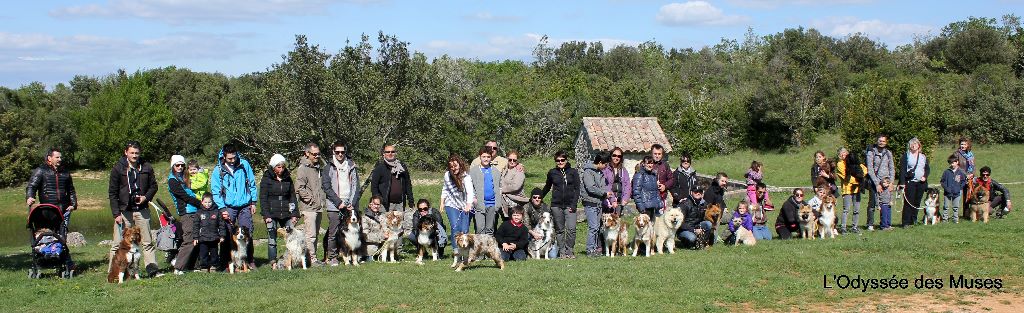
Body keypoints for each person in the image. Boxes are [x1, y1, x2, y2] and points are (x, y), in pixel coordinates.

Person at [107, 141, 160, 277]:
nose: (135, 155)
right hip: (124, 211)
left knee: (147, 242)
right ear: (126, 152)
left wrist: (146, 197)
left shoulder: (146, 167)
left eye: (137, 153)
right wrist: (116, 214)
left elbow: (154, 186)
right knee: (118, 243)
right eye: (132, 153)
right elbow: (112, 193)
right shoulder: (118, 168)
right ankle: (113, 272)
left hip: (142, 209)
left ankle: (152, 270)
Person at [26, 148, 77, 269]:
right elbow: (31, 186)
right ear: (49, 158)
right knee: (48, 235)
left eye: (60, 157)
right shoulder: (40, 171)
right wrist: (29, 197)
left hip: (64, 210)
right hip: (48, 211)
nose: (60, 159)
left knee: (62, 236)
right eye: (57, 157)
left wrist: (73, 204)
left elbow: (71, 190)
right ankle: (51, 259)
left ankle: (65, 263)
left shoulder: (65, 172)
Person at [210, 143, 258, 269]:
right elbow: (215, 191)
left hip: (245, 205)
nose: (232, 160)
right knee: (226, 235)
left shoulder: (244, 165)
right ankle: (226, 262)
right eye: (229, 158)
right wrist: (222, 208)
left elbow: (252, 184)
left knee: (247, 233)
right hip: (228, 206)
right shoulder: (218, 170)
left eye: (234, 157)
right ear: (224, 156)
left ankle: (249, 260)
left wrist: (253, 202)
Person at [321, 142, 361, 267]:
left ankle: (351, 255)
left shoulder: (351, 165)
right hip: (334, 205)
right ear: (333, 151)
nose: (340, 154)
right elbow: (326, 187)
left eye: (342, 152)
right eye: (337, 152)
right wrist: (338, 202)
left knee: (352, 232)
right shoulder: (328, 167)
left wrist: (352, 203)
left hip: (349, 204)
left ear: (345, 152)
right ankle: (332, 257)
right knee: (333, 232)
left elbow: (356, 185)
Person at [260, 154, 298, 269]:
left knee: (291, 237)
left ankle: (289, 262)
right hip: (272, 212)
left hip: (286, 212)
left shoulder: (288, 178)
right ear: (273, 167)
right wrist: (266, 215)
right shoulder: (266, 178)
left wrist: (295, 214)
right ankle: (273, 263)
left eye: (283, 167)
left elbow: (292, 196)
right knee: (272, 238)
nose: (281, 169)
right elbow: (263, 198)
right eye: (278, 167)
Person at [541, 151, 580, 259]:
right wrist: (539, 197)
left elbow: (577, 189)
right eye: (558, 160)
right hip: (556, 205)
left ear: (566, 160)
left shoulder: (573, 172)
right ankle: (562, 251)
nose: (560, 162)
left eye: (562, 160)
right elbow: (547, 187)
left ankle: (570, 250)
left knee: (571, 229)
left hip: (570, 205)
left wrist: (574, 204)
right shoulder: (552, 172)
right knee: (560, 230)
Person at [168, 155, 203, 274]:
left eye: (182, 165)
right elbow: (185, 197)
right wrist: (201, 204)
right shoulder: (172, 181)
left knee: (197, 238)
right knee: (188, 239)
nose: (180, 167)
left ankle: (195, 265)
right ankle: (178, 267)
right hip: (186, 212)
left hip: (195, 210)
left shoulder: (185, 177)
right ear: (173, 166)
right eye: (177, 165)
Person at [294, 143, 326, 266]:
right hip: (309, 207)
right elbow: (300, 188)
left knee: (315, 234)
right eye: (314, 154)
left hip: (318, 207)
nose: (317, 156)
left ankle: (313, 258)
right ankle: (311, 259)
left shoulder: (317, 167)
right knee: (310, 235)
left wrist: (321, 201)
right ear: (307, 153)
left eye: (318, 154)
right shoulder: (303, 168)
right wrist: (311, 199)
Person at [441, 154, 474, 254]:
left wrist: (468, 205)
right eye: (451, 167)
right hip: (451, 204)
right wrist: (442, 202)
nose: (453, 169)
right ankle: (456, 251)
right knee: (455, 227)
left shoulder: (466, 177)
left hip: (465, 205)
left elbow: (470, 192)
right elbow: (445, 189)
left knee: (464, 229)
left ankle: (466, 250)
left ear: (460, 165)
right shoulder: (447, 175)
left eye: (455, 166)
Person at [580, 153, 611, 257]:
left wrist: (605, 195)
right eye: (605, 164)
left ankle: (594, 249)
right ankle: (590, 250)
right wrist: (604, 193)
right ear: (600, 162)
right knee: (593, 227)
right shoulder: (588, 172)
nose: (606, 167)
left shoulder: (599, 172)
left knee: (597, 227)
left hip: (598, 202)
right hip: (590, 202)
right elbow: (591, 188)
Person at [370, 144, 414, 214]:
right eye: (388, 152)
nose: (390, 153)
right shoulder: (379, 168)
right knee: (385, 224)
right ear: (384, 154)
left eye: (392, 152)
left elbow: (408, 184)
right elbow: (374, 187)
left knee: (399, 224)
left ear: (395, 153)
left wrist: (411, 201)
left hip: (400, 204)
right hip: (385, 205)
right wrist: (378, 201)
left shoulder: (402, 167)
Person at [470, 146, 502, 235]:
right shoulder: (474, 171)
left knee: (490, 229)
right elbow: (470, 186)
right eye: (484, 156)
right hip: (479, 204)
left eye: (488, 157)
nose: (486, 159)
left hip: (492, 204)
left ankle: (489, 248)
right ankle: (480, 248)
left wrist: (497, 202)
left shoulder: (495, 171)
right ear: (480, 157)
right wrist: (474, 199)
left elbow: (499, 187)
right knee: (480, 228)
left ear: (491, 157)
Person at [866, 135, 895, 230]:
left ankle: (886, 224)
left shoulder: (888, 153)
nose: (881, 142)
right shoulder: (871, 152)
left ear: (886, 142)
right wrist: (877, 184)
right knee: (872, 203)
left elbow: (892, 168)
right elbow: (870, 169)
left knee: (887, 203)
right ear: (877, 141)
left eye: (883, 141)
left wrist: (891, 182)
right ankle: (870, 224)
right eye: (880, 141)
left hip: (887, 182)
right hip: (875, 182)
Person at [899, 137, 930, 227]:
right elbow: (902, 170)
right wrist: (902, 183)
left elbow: (927, 168)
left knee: (917, 202)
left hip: (921, 183)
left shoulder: (923, 156)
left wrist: (925, 176)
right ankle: (906, 222)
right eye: (911, 144)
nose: (913, 145)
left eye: (915, 144)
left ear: (918, 145)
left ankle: (914, 220)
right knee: (909, 202)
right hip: (910, 182)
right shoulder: (906, 156)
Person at [836, 147, 866, 234]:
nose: (844, 154)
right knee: (846, 209)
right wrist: (858, 179)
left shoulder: (854, 161)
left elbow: (864, 169)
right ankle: (843, 227)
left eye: (845, 152)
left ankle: (854, 227)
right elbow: (845, 177)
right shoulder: (840, 164)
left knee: (856, 210)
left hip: (857, 190)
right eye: (841, 153)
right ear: (839, 156)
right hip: (847, 190)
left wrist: (861, 175)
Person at [195, 193, 226, 273]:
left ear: (212, 202)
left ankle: (214, 266)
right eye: (205, 202)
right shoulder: (199, 213)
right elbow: (196, 226)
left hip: (214, 238)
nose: (207, 204)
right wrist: (195, 237)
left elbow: (221, 225)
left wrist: (222, 235)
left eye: (209, 202)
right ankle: (204, 267)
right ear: (202, 202)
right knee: (203, 254)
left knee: (214, 254)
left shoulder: (217, 212)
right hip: (203, 238)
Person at [524, 188, 557, 259]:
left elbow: (552, 226)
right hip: (531, 233)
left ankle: (546, 250)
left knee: (553, 256)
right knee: (524, 233)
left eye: (539, 197)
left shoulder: (547, 208)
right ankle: (527, 250)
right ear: (531, 198)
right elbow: (526, 224)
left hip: (546, 233)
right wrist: (534, 233)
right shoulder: (526, 207)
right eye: (534, 197)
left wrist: (551, 239)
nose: (537, 199)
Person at [500, 150, 529, 221]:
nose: (512, 162)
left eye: (514, 160)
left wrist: (501, 190)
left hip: (515, 202)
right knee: (507, 223)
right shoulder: (504, 169)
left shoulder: (519, 171)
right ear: (507, 159)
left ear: (517, 161)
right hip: (504, 202)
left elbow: (516, 186)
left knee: (515, 224)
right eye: (510, 159)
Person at [632, 156, 662, 222]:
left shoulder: (653, 175)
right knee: (645, 230)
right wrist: (641, 207)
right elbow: (636, 192)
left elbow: (656, 191)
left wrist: (659, 203)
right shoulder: (639, 175)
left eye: (651, 163)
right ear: (643, 164)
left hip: (653, 206)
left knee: (652, 229)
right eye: (648, 163)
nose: (650, 165)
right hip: (645, 207)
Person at [604, 147, 632, 215]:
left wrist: (625, 198)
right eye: (614, 155)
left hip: (619, 202)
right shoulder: (605, 169)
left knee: (617, 223)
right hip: (608, 202)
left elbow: (627, 185)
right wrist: (612, 200)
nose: (616, 158)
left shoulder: (623, 170)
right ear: (611, 156)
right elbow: (606, 186)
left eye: (619, 156)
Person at [939, 155, 968, 223]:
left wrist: (960, 188)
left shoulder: (961, 172)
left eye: (953, 163)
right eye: (950, 163)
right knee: (946, 206)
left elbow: (964, 181)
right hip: (947, 193)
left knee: (956, 207)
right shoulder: (946, 172)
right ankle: (945, 219)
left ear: (957, 162)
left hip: (957, 193)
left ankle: (955, 219)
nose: (951, 164)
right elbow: (942, 181)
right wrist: (946, 188)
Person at [361, 196, 386, 262]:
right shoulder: (364, 218)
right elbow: (365, 236)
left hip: (382, 245)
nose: (376, 206)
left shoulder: (382, 216)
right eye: (374, 204)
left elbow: (386, 229)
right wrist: (382, 236)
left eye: (378, 204)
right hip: (369, 248)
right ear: (370, 204)